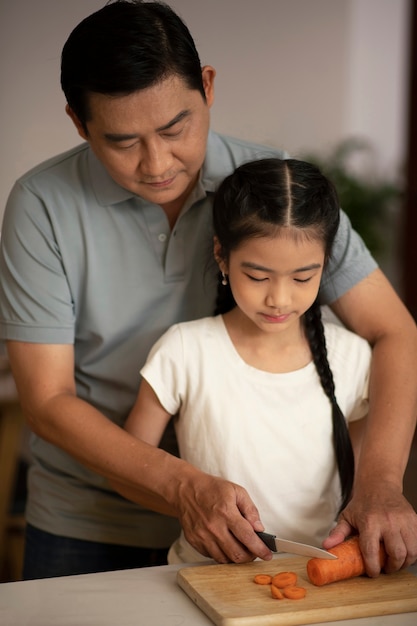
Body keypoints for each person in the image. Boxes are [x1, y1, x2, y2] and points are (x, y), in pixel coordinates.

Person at [0, 0, 415, 579]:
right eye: (123, 142)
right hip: (88, 521)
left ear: (208, 87)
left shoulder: (277, 188)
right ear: (78, 121)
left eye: (176, 128)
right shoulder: (41, 205)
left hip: (259, 536)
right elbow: (47, 402)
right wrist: (182, 485)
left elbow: (393, 330)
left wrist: (379, 485)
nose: (157, 162)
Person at [117, 157, 372, 564]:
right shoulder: (184, 351)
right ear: (222, 255)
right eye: (257, 276)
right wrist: (192, 504)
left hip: (319, 582)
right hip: (204, 576)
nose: (279, 298)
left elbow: (363, 487)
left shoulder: (354, 358)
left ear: (326, 264)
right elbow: (128, 470)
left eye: (303, 277)